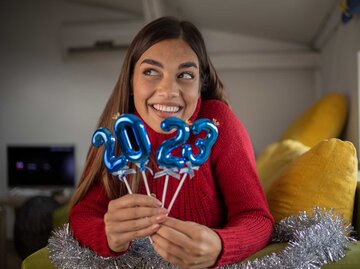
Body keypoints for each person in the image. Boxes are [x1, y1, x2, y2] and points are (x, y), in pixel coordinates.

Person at [69, 16, 274, 268]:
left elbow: (257, 217)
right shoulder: (118, 133)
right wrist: (108, 234)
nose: (168, 90)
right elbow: (82, 215)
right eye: (151, 71)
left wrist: (220, 245)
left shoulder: (218, 124)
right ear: (131, 81)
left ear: (201, 84)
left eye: (185, 74)